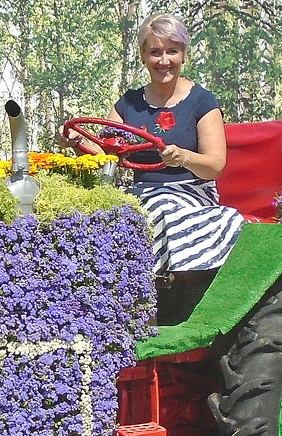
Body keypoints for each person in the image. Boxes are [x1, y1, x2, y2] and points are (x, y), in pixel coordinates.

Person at [65, 13, 244, 320]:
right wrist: (76, 142)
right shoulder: (129, 104)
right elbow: (107, 150)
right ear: (143, 56)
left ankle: (167, 303)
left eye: (171, 51)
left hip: (190, 192)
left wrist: (183, 157)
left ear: (184, 54)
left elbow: (215, 165)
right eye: (155, 52)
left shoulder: (202, 102)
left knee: (172, 213)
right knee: (98, 217)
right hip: (139, 193)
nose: (164, 61)